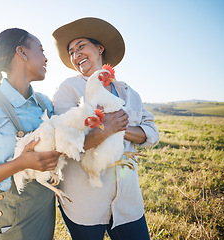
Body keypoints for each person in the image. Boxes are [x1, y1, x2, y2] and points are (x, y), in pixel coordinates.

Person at [52, 17, 160, 240]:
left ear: (100, 48)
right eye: (72, 51)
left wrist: (119, 128)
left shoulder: (129, 93)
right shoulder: (69, 89)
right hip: (85, 202)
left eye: (81, 46)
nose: (75, 55)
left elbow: (151, 133)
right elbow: (65, 144)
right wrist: (105, 130)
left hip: (127, 202)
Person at [0, 28, 60, 240]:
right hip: (14, 218)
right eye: (41, 50)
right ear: (22, 52)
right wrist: (21, 163)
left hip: (45, 208)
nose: (46, 58)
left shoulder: (45, 104)